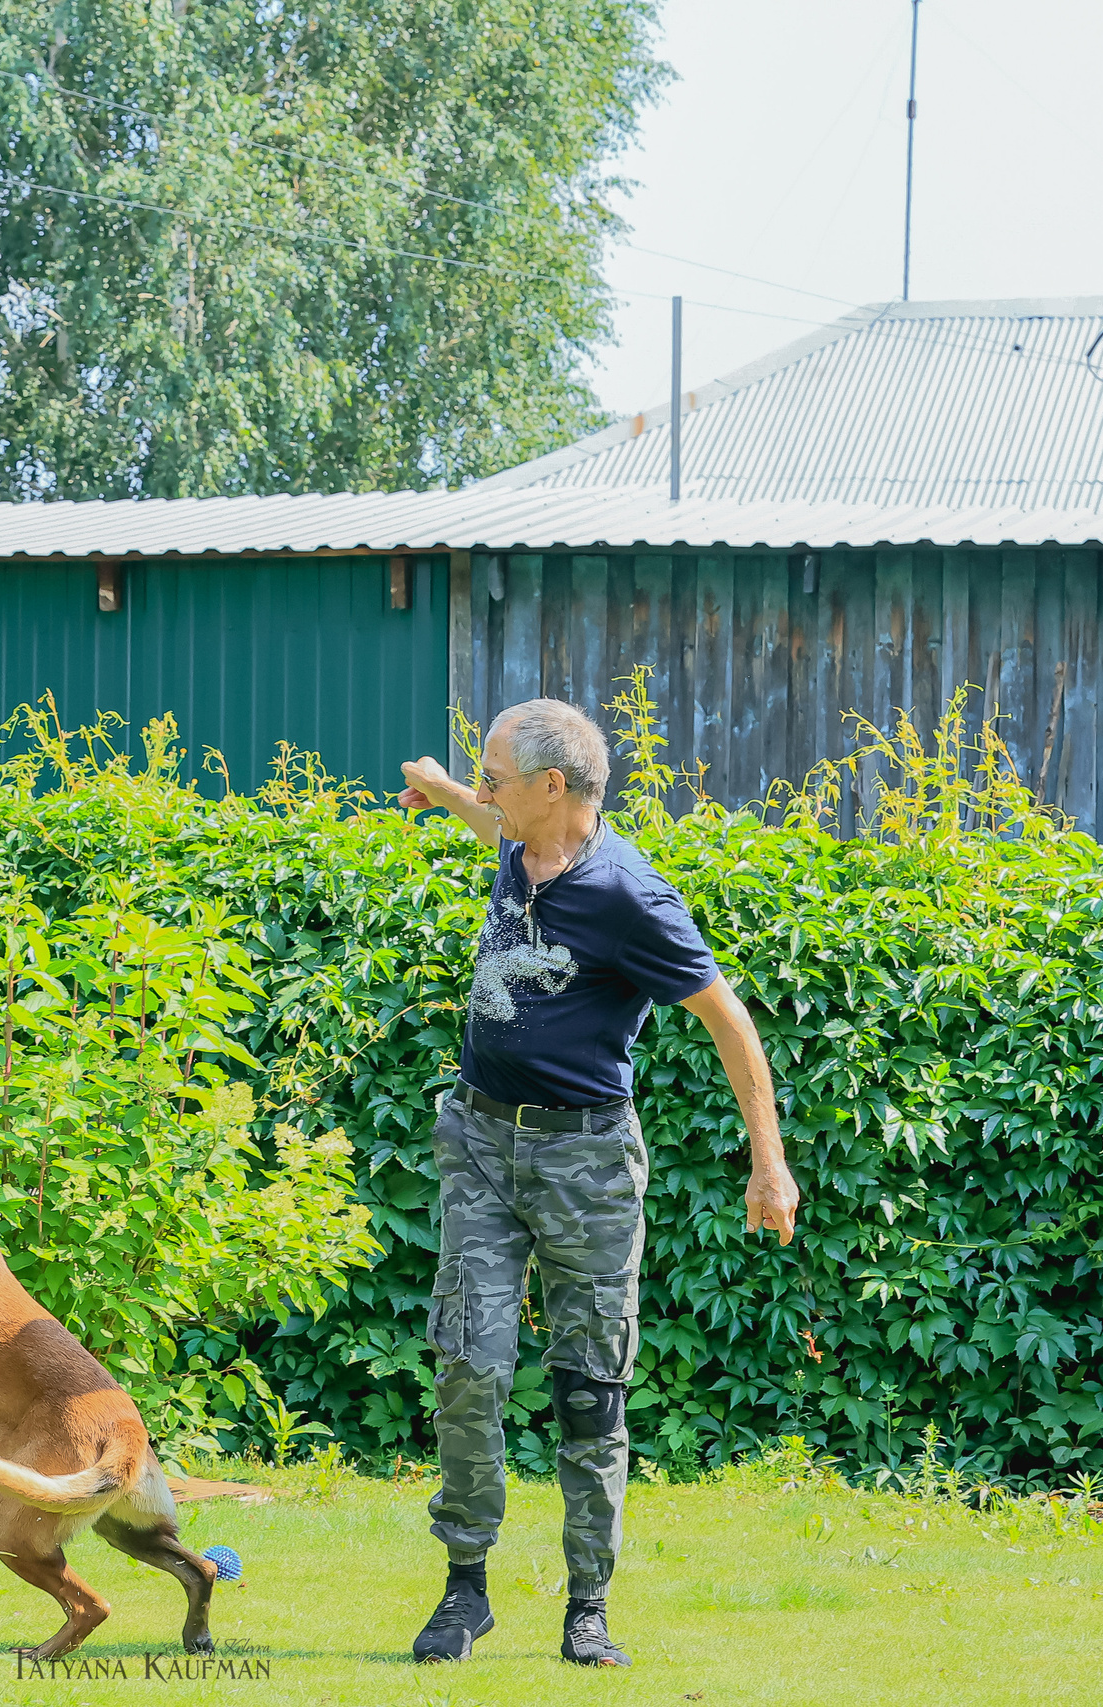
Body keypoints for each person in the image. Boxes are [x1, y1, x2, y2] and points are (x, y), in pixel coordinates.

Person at [395, 698, 799, 1668]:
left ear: (552, 786)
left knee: (588, 1385)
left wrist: (769, 1162)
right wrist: (443, 790)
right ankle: (464, 1590)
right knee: (467, 1363)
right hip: (480, 1143)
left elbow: (729, 1021)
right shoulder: (520, 837)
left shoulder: (630, 897)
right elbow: (489, 820)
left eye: (494, 774)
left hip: (586, 1163)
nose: (485, 787)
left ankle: (587, 1606)